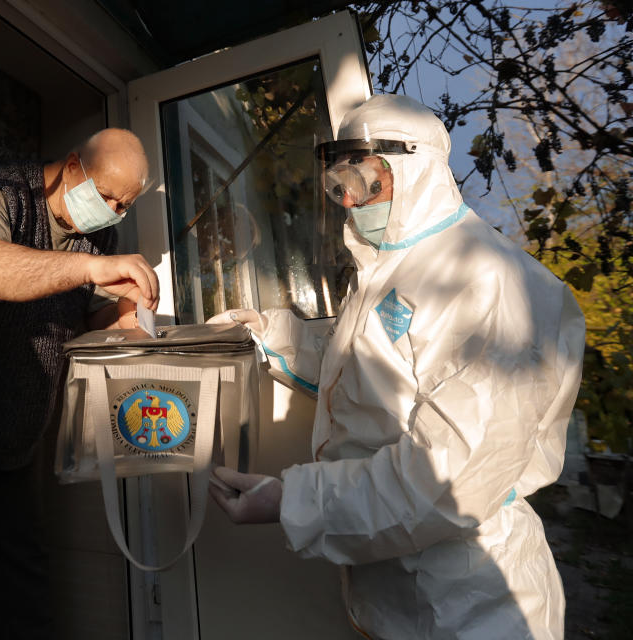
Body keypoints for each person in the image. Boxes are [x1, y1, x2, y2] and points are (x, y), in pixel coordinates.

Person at [208, 95, 586, 639]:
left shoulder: (491, 281)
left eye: (362, 180)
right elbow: (371, 378)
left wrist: (294, 500)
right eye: (337, 184)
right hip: (398, 591)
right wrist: (273, 334)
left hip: (476, 602)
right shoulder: (391, 269)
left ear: (415, 168)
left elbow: (449, 478)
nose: (347, 199)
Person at [0, 128, 159, 639]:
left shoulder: (98, 234)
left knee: (21, 574)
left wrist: (128, 313)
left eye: (123, 205)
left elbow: (85, 317)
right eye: (106, 196)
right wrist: (90, 266)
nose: (111, 211)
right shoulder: (4, 190)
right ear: (70, 166)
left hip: (23, 434)